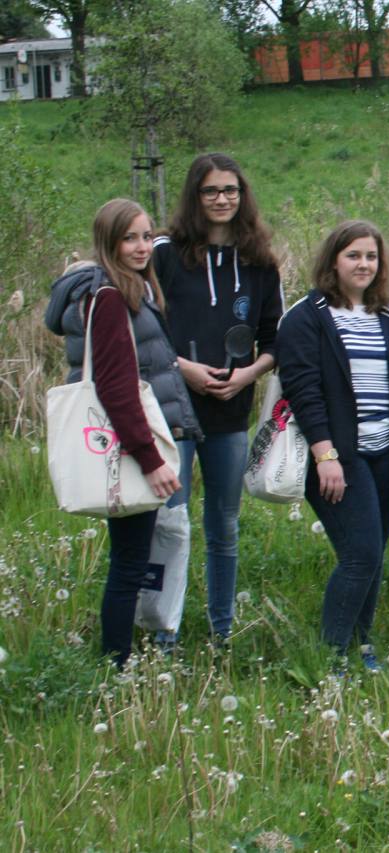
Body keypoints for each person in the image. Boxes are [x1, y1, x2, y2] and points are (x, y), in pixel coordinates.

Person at [44, 198, 201, 667]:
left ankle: (124, 656)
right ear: (108, 242)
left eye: (147, 236)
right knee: (130, 562)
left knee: (130, 557)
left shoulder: (126, 289)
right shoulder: (110, 297)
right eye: (129, 238)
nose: (141, 247)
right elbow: (116, 388)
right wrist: (150, 460)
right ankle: (116, 665)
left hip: (127, 443)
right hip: (130, 447)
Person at [276, 220, 389, 670]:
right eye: (353, 255)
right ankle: (330, 656)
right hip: (337, 457)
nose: (364, 264)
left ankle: (362, 645)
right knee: (361, 555)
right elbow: (304, 393)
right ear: (333, 260)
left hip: (387, 453)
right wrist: (325, 456)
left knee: (372, 555)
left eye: (371, 256)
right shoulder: (307, 318)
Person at [154, 152, 284, 646]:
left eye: (230, 190)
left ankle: (221, 629)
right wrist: (181, 368)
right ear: (195, 196)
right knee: (170, 522)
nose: (222, 199)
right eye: (210, 191)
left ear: (242, 195)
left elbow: (274, 340)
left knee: (224, 525)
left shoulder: (259, 262)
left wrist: (248, 374)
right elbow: (143, 331)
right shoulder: (165, 255)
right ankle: (164, 633)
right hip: (172, 410)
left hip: (230, 413)